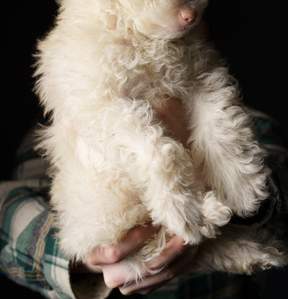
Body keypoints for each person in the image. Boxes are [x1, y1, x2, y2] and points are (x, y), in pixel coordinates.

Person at [1, 100, 288, 299]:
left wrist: (229, 196)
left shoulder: (251, 125)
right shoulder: (58, 132)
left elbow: (280, 178)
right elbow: (7, 211)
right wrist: (83, 258)